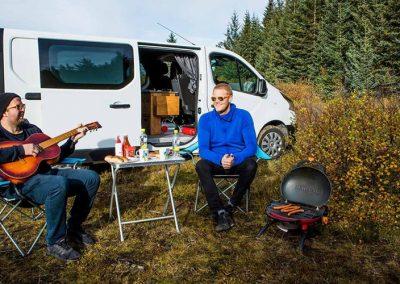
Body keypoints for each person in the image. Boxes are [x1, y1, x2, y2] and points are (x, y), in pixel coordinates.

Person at [0, 92, 100, 261]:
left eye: (23, 106)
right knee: (57, 183)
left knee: (91, 177)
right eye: (18, 107)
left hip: (46, 175)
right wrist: (21, 150)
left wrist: (72, 141)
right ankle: (56, 242)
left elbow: (53, 157)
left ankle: (74, 229)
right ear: (4, 111)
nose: (22, 110)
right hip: (17, 186)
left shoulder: (32, 130)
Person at [195, 83, 258, 232]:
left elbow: (251, 147)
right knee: (200, 165)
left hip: (237, 160)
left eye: (221, 98)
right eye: (213, 98)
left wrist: (235, 158)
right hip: (216, 161)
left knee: (251, 165)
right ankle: (218, 211)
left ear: (230, 97)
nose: (216, 101)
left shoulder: (243, 116)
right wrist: (220, 159)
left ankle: (230, 206)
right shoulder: (206, 119)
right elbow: (203, 149)